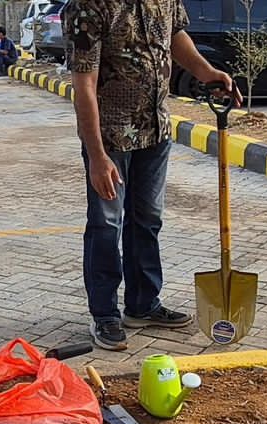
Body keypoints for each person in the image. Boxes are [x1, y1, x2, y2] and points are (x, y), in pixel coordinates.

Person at [64, 0, 239, 350]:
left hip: (155, 130)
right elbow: (84, 85)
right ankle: (105, 315)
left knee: (147, 219)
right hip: (111, 137)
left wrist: (207, 73)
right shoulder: (88, 6)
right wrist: (98, 157)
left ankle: (142, 304)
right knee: (105, 224)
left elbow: (176, 37)